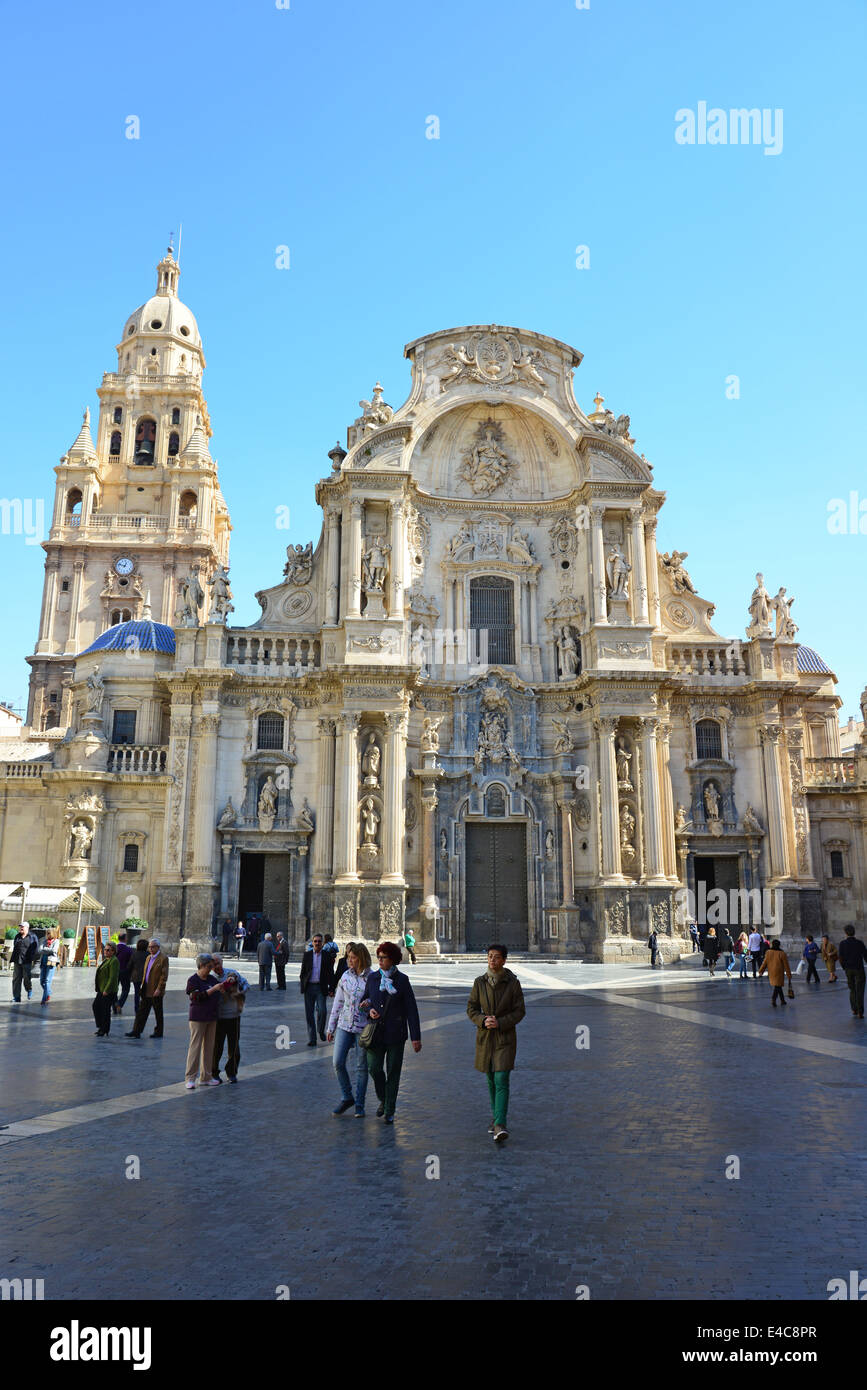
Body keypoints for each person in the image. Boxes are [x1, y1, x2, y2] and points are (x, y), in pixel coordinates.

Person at [467, 944, 526, 1143]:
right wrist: (483, 1020)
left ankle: (500, 1123)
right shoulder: (479, 982)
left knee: (501, 1078)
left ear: (504, 960)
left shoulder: (513, 983)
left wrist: (500, 1022)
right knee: (491, 1078)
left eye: (496, 957)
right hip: (485, 1037)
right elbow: (471, 1008)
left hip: (505, 1038)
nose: (492, 960)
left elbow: (520, 1011)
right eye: (490, 956)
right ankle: (496, 1120)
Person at [359, 941, 422, 1123]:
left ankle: (390, 1109)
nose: (379, 960)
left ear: (392, 959)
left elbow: (411, 1010)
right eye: (378, 957)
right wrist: (367, 1008)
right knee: (374, 1068)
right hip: (376, 1032)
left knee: (393, 1071)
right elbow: (364, 1001)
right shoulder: (373, 979)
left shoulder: (402, 980)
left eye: (383, 957)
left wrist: (416, 1037)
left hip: (396, 1033)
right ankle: (384, 1098)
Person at [326, 943, 372, 1116]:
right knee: (337, 1062)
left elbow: (378, 1001)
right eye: (348, 957)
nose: (349, 960)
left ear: (361, 958)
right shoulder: (345, 976)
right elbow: (338, 1002)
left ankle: (359, 1105)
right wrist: (331, 1027)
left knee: (361, 1068)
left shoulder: (372, 978)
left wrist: (370, 1005)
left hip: (363, 1028)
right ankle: (347, 1097)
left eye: (353, 957)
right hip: (344, 1025)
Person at [184, 954, 223, 1089]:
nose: (210, 969)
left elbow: (217, 996)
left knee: (209, 1048)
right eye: (208, 967)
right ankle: (190, 1078)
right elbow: (196, 997)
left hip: (211, 1017)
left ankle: (206, 1076)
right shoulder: (193, 980)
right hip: (198, 1017)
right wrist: (213, 989)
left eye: (211, 967)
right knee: (195, 1047)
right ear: (201, 965)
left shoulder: (212, 979)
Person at [211, 954, 248, 1084]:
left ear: (222, 962)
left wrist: (238, 992)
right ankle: (214, 1072)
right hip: (218, 1018)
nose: (217, 966)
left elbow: (246, 985)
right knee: (217, 1047)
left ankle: (231, 1072)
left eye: (218, 963)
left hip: (233, 1016)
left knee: (234, 1047)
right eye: (214, 964)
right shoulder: (210, 978)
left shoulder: (232, 974)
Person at [126, 939, 169, 1039]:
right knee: (141, 1011)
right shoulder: (148, 957)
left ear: (158, 947)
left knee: (158, 1012)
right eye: (149, 947)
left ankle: (158, 1032)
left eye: (153, 947)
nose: (150, 949)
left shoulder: (163, 958)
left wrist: (159, 988)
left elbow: (164, 975)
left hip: (155, 990)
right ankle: (136, 1030)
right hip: (146, 988)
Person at [300, 933, 336, 1045]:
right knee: (309, 1013)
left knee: (323, 1011)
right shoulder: (307, 955)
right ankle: (312, 1038)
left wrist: (332, 988)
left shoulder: (326, 955)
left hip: (321, 987)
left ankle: (320, 1030)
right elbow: (303, 971)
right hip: (309, 987)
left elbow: (331, 973)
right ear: (312, 942)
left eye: (319, 941)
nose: (317, 943)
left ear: (322, 943)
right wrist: (303, 985)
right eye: (315, 941)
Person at [838, 924, 867, 1018]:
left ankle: (854, 1009)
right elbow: (865, 956)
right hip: (859, 968)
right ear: (854, 932)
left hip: (848, 969)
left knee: (852, 989)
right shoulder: (859, 943)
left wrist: (844, 967)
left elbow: (841, 958)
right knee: (860, 990)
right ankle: (860, 1011)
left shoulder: (842, 944)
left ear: (845, 933)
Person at [92, 941, 119, 1035]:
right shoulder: (107, 959)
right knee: (96, 1006)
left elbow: (113, 977)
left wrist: (107, 990)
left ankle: (104, 1029)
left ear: (113, 951)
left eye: (108, 950)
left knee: (105, 1010)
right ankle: (101, 1027)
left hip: (108, 990)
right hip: (101, 989)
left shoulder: (114, 961)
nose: (105, 951)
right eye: (105, 949)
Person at [758, 938, 792, 1007]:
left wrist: (761, 970)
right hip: (779, 973)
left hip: (772, 972)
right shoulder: (782, 953)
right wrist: (789, 974)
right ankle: (773, 999)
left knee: (778, 986)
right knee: (778, 986)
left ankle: (782, 1000)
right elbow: (786, 965)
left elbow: (765, 963)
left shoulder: (768, 952)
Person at [11, 922, 38, 1003]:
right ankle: (16, 997)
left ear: (27, 928)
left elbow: (35, 949)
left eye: (23, 927)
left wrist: (32, 958)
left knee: (27, 978)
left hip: (27, 961)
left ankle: (29, 989)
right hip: (17, 960)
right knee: (16, 979)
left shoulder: (32, 936)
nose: (21, 928)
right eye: (20, 927)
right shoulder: (17, 936)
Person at [114, 930, 134, 1014]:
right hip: (125, 971)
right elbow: (132, 961)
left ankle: (114, 1006)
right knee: (125, 989)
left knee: (113, 990)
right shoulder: (129, 950)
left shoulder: (113, 949)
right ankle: (119, 1004)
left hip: (114, 972)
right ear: (125, 939)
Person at [39, 929, 59, 1005]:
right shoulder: (44, 941)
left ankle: (44, 999)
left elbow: (54, 950)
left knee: (47, 981)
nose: (47, 935)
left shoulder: (56, 941)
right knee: (42, 981)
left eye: (48, 933)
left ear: (53, 934)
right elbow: (39, 950)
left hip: (51, 962)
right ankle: (48, 992)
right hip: (43, 961)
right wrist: (48, 950)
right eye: (46, 933)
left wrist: (44, 949)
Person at [129, 937, 149, 1013]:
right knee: (145, 993)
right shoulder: (148, 955)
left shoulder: (135, 954)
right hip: (146, 977)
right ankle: (144, 1007)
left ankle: (136, 1008)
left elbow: (130, 965)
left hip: (136, 977)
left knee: (137, 993)